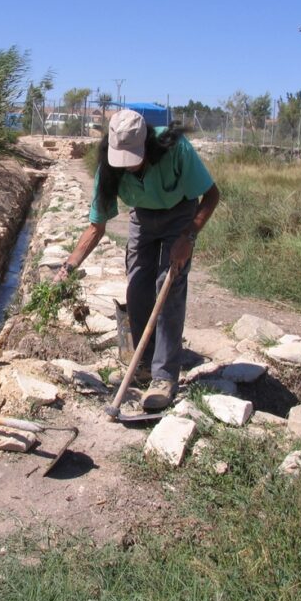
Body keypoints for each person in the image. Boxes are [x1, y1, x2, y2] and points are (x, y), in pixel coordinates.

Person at [55, 109, 219, 410]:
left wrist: (189, 237)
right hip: (142, 218)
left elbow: (211, 196)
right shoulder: (108, 167)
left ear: (147, 144)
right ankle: (143, 362)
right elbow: (96, 225)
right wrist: (68, 267)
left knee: (167, 287)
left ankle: (164, 377)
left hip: (179, 216)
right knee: (137, 287)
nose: (128, 166)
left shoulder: (175, 148)